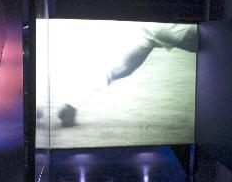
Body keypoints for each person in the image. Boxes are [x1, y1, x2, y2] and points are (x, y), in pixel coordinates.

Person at [57, 23, 197, 126]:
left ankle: (72, 102)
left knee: (122, 69)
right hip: (160, 28)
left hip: (156, 28)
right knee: (121, 69)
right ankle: (72, 102)